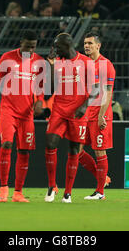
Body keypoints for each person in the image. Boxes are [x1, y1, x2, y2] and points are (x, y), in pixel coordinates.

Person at [0, 30, 44, 203]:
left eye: (33, 47)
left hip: (27, 114)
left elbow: (40, 89)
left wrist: (40, 101)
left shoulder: (39, 62)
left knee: (24, 151)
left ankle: (18, 192)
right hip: (8, 110)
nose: (30, 50)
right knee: (7, 144)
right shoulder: (7, 58)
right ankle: (3, 188)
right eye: (27, 46)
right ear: (20, 42)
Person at [44, 32, 95, 203]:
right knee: (50, 143)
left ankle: (68, 193)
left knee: (74, 150)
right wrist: (50, 65)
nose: (55, 50)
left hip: (77, 113)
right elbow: (49, 89)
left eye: (58, 47)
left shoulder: (87, 62)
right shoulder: (57, 62)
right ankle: (52, 186)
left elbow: (94, 89)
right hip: (59, 109)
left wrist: (84, 106)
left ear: (68, 45)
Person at [78, 32, 115, 200]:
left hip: (101, 113)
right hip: (87, 113)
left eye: (90, 43)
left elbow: (108, 93)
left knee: (100, 151)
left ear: (98, 46)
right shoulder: (84, 64)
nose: (87, 46)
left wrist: (102, 115)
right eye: (85, 43)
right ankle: (103, 178)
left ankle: (100, 192)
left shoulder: (106, 65)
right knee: (77, 151)